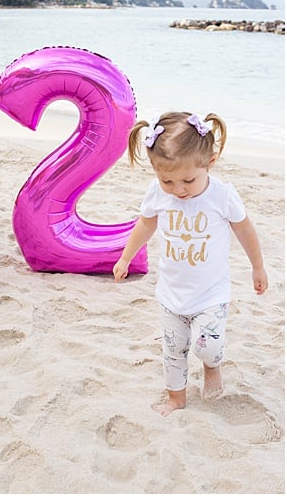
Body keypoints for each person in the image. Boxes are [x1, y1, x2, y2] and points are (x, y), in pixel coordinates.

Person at [112, 111, 268, 417]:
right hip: (171, 294)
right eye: (167, 180)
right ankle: (176, 399)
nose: (179, 189)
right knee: (173, 350)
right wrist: (126, 257)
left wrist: (258, 266)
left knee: (206, 346)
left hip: (211, 294)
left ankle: (212, 366)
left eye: (188, 180)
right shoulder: (158, 193)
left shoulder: (222, 196)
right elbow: (145, 225)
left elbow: (245, 230)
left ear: (209, 163)